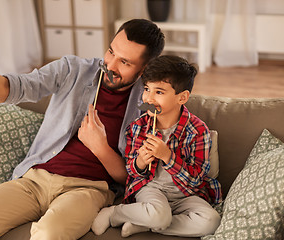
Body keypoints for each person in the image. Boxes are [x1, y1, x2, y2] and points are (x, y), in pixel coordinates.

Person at [0, 19, 164, 240]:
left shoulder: (149, 107)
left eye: (125, 62)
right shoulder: (73, 70)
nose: (110, 65)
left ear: (144, 70)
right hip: (33, 180)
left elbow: (132, 177)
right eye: (111, 51)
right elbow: (11, 88)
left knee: (49, 235)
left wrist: (100, 147)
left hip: (87, 190)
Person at [91, 55, 222, 238]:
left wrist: (168, 157)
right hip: (152, 189)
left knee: (211, 221)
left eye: (159, 92)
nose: (149, 98)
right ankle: (115, 213)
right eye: (146, 89)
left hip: (186, 194)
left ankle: (144, 224)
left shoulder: (198, 131)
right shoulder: (139, 127)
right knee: (158, 214)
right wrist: (140, 162)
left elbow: (196, 180)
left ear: (182, 97)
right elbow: (132, 172)